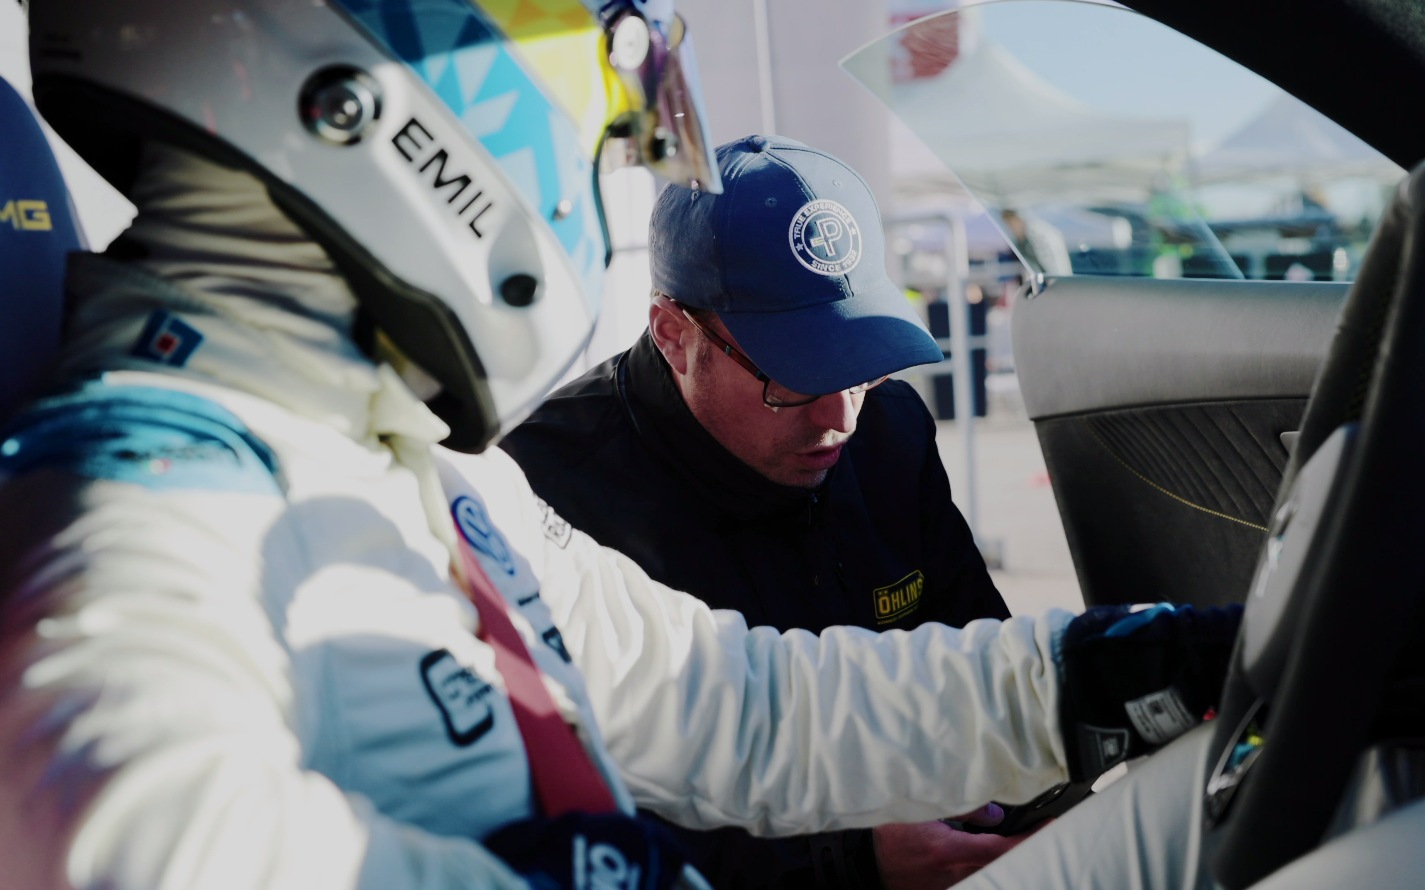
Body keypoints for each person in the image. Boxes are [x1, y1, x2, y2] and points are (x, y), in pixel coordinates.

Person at [0, 1, 1240, 888]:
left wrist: (1113, 669)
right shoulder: (152, 477)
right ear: (367, 105)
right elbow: (108, 834)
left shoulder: (411, 461)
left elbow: (733, 704)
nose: (597, 154)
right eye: (590, 102)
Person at [502, 134, 1021, 890]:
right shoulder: (542, 488)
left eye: (862, 364)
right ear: (673, 334)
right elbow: (557, 811)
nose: (841, 417)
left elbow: (984, 658)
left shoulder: (892, 429)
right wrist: (847, 860)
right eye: (796, 377)